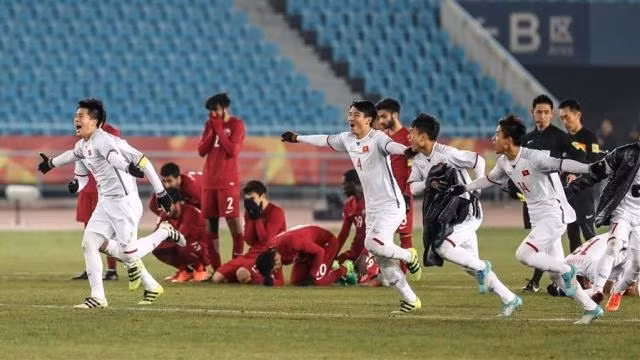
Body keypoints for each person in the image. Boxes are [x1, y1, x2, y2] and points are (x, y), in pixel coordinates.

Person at [450, 114, 604, 324]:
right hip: (539, 218)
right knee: (556, 277)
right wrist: (465, 187)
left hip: (553, 214)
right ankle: (591, 308)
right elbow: (489, 179)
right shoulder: (505, 162)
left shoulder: (534, 157)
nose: (493, 138)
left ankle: (569, 269)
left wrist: (588, 168)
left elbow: (562, 163)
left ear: (509, 140)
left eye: (497, 134)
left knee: (524, 254)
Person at [38, 98, 186, 308]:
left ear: (95, 121)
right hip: (105, 203)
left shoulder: (104, 140)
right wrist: (57, 169)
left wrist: (158, 190)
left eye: (80, 116)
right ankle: (98, 297)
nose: (75, 120)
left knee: (128, 253)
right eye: (75, 116)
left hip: (124, 203)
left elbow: (117, 159)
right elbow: (79, 172)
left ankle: (164, 232)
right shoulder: (82, 145)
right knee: (89, 244)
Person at [281, 100, 422, 313]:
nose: (350, 118)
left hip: (391, 205)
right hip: (373, 208)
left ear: (368, 120)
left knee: (374, 244)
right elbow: (324, 140)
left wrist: (406, 151)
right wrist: (297, 138)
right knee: (382, 258)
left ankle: (409, 256)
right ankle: (411, 300)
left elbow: (393, 147)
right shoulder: (347, 139)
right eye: (349, 114)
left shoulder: (378, 138)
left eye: (355, 115)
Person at [406, 113, 521, 316]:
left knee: (443, 247)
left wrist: (475, 189)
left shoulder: (447, 153)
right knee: (470, 266)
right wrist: (427, 183)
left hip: (466, 211)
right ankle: (509, 297)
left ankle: (483, 267)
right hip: (448, 215)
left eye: (412, 133)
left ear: (423, 136)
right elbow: (412, 188)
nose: (409, 137)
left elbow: (477, 160)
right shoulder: (418, 160)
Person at [565, 135, 640, 310]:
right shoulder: (625, 153)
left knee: (636, 263)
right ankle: (597, 290)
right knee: (613, 246)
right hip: (623, 211)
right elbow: (597, 173)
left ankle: (617, 291)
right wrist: (572, 188)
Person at [520, 94, 586, 292]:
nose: (542, 116)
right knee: (543, 239)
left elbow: (579, 155)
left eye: (546, 112)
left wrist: (572, 173)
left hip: (553, 198)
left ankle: (544, 280)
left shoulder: (559, 137)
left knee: (544, 239)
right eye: (539, 112)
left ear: (551, 115)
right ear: (532, 114)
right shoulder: (527, 139)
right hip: (532, 197)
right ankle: (560, 282)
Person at [198, 93, 245, 271]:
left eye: (216, 110)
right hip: (209, 180)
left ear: (225, 108)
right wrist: (213, 129)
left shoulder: (237, 124)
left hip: (228, 181)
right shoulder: (210, 125)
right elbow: (202, 151)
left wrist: (219, 129)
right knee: (211, 224)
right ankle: (217, 269)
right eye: (211, 111)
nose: (213, 114)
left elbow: (233, 150)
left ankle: (236, 265)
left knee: (233, 221)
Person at [71, 122, 121, 281]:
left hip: (103, 187)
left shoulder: (110, 130)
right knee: (89, 231)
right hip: (86, 188)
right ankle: (91, 269)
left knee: (107, 230)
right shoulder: (84, 128)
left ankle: (112, 270)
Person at [212, 180, 286, 284]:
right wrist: (252, 218)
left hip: (267, 256)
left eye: (252, 199)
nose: (250, 203)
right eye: (247, 200)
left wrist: (258, 219)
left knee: (241, 274)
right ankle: (247, 277)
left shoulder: (276, 212)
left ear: (262, 196)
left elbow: (267, 241)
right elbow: (249, 240)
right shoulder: (249, 213)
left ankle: (271, 280)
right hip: (251, 254)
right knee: (216, 277)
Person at [559, 99, 600, 271]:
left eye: (567, 117)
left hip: (585, 193)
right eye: (561, 118)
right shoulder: (562, 140)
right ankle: (577, 273)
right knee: (573, 234)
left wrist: (576, 173)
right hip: (568, 195)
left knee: (589, 233)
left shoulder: (589, 137)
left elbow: (595, 162)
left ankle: (598, 271)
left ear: (578, 115)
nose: (564, 121)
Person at [375, 98, 413, 270]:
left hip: (402, 195)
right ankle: (384, 273)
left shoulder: (407, 138)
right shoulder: (383, 139)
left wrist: (406, 193)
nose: (381, 121)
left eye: (384, 116)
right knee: (382, 236)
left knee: (405, 236)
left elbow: (412, 170)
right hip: (386, 195)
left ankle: (404, 272)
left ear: (395, 115)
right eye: (379, 117)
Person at [557, 233, 638, 310]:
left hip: (621, 243)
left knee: (628, 286)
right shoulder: (568, 261)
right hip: (616, 239)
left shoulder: (589, 268)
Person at [255, 225, 356, 286]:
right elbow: (280, 281)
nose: (276, 271)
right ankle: (329, 268)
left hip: (326, 244)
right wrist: (271, 282)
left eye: (274, 269)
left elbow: (319, 251)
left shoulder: (292, 243)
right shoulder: (271, 253)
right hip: (307, 253)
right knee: (296, 281)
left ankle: (345, 268)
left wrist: (312, 276)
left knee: (316, 281)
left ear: (276, 259)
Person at [152, 187, 209, 282]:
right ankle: (185, 271)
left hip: (204, 249)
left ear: (177, 203)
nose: (164, 209)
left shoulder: (191, 213)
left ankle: (201, 270)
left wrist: (163, 239)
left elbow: (180, 237)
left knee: (182, 245)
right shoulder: (165, 214)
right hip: (185, 245)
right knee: (156, 248)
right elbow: (156, 236)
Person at [334, 169, 379, 285]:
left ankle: (382, 272)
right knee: (334, 270)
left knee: (364, 282)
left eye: (344, 185)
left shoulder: (372, 202)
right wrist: (332, 255)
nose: (342, 188)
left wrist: (365, 253)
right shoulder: (349, 204)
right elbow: (343, 234)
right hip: (355, 251)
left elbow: (376, 233)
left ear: (353, 184)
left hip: (372, 251)